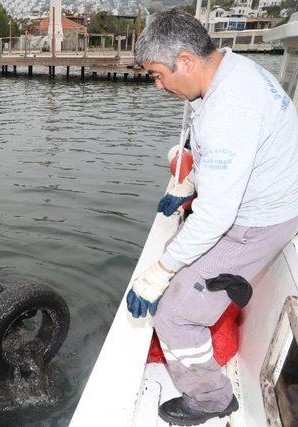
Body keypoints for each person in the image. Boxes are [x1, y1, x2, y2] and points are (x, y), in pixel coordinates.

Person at [126, 9, 298, 425]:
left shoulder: (231, 109)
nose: (159, 85)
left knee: (175, 313)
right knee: (175, 263)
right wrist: (188, 186)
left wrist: (160, 273)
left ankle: (212, 399)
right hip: (257, 204)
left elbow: (216, 216)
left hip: (255, 222)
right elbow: (227, 156)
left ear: (184, 60)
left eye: (157, 74)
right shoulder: (230, 71)